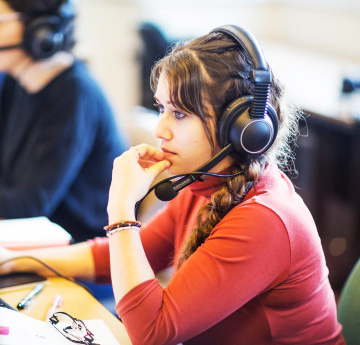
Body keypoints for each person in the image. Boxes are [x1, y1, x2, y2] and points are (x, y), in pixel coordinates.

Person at [0, 25, 345, 345]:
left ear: (240, 130)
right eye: (161, 108)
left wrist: (122, 210)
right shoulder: (207, 185)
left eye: (179, 114)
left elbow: (152, 331)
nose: (160, 129)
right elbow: (114, 259)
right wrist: (14, 259)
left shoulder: (264, 220)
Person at [0, 0, 128, 242]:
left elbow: (29, 207)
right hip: (29, 240)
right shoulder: (15, 79)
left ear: (41, 30)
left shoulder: (74, 94)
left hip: (79, 253)